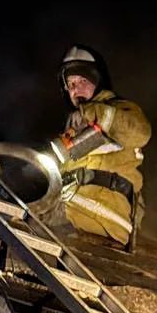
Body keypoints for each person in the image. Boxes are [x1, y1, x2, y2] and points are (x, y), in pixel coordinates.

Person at [50, 45, 150, 245]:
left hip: (106, 213)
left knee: (38, 216)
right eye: (70, 85)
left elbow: (141, 132)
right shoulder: (73, 129)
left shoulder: (119, 111)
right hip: (75, 207)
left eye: (82, 81)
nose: (75, 89)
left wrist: (92, 112)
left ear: (98, 82)